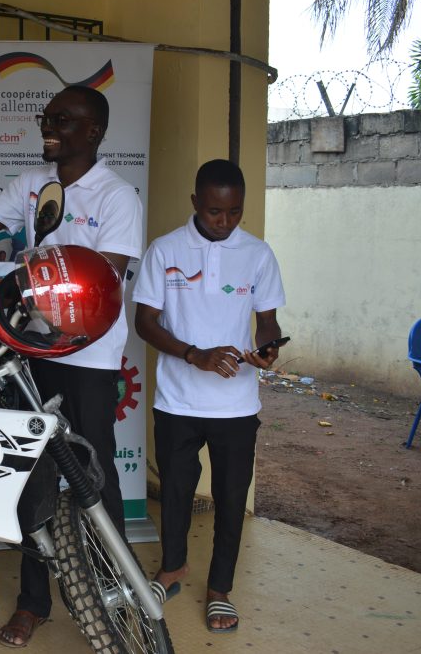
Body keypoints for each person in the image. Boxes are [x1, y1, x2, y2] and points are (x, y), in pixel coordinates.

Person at [0, 85, 143, 648]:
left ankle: (114, 590)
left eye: (64, 120)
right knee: (31, 471)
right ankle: (34, 601)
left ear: (93, 132)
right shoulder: (33, 184)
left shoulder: (118, 197)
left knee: (92, 469)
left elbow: (99, 278)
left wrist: (21, 281)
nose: (49, 126)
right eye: (47, 118)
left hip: (89, 358)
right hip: (32, 354)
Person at [132, 159, 286, 634]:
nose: (224, 221)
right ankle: (173, 568)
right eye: (215, 211)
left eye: (234, 212)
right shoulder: (165, 250)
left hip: (237, 406)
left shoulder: (258, 254)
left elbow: (267, 322)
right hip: (178, 401)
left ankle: (220, 589)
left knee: (230, 495)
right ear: (196, 202)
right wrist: (193, 354)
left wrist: (267, 349)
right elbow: (145, 322)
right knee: (176, 492)